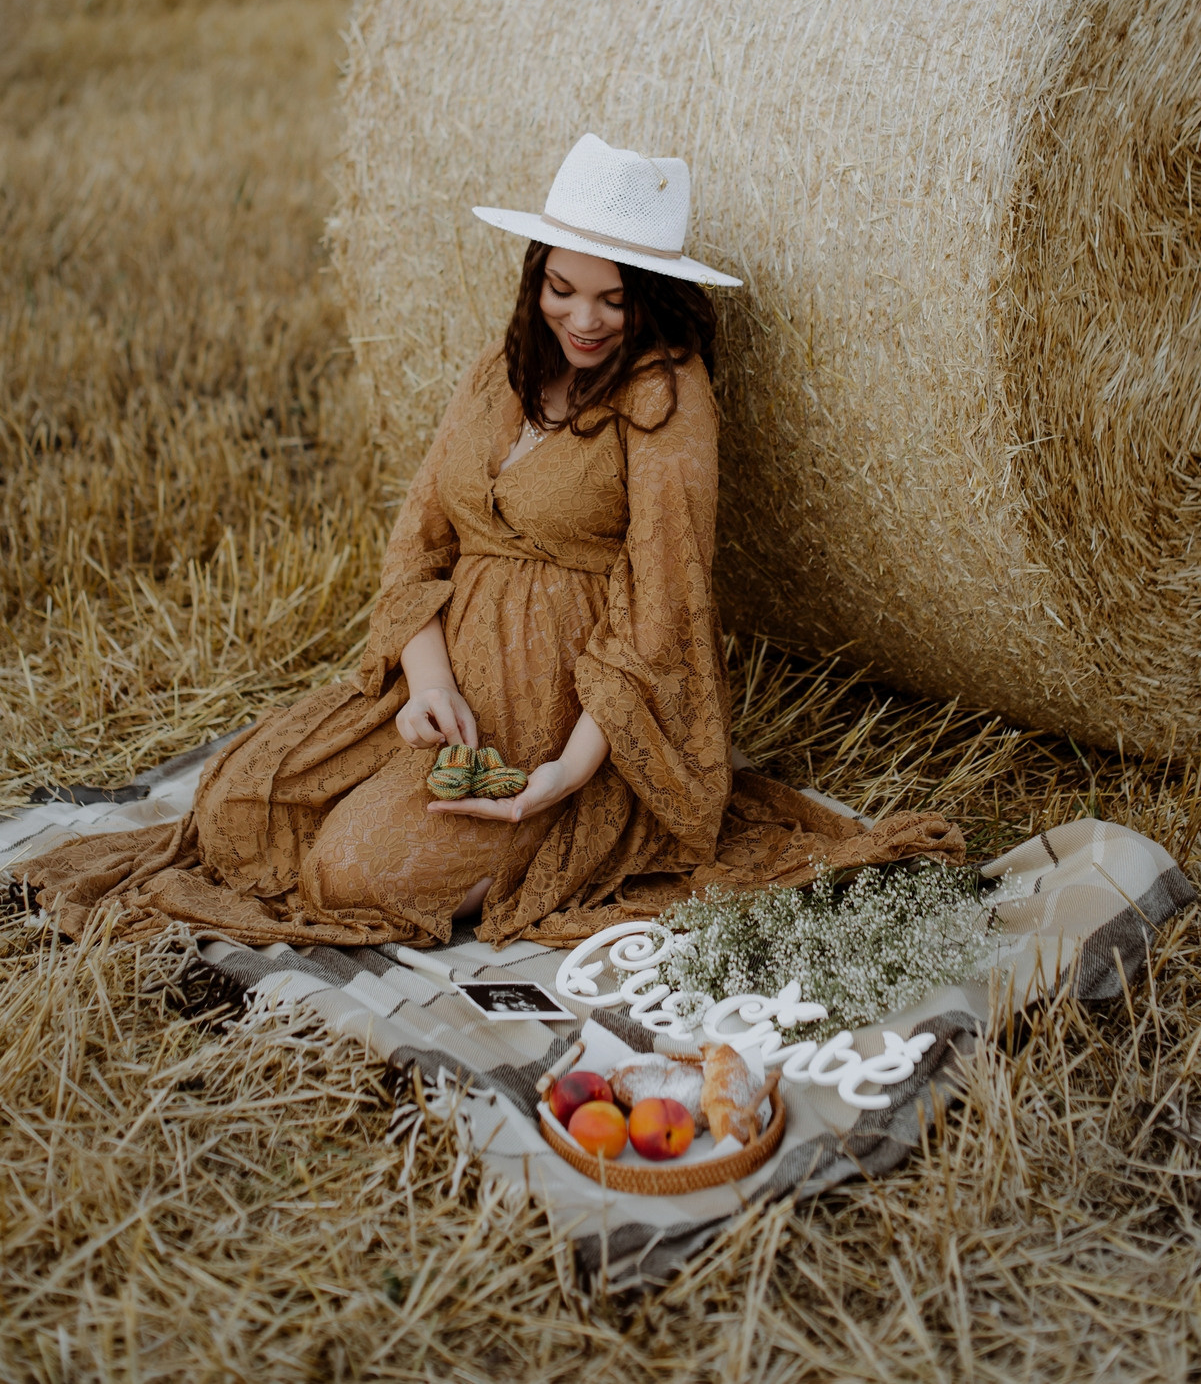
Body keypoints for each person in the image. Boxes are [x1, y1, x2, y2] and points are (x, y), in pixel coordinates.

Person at [24, 134, 963, 948]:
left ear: (654, 301)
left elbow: (666, 605)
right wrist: (426, 683)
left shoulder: (667, 399)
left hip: (568, 705)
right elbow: (416, 543)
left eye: (613, 299)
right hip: (444, 685)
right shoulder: (502, 369)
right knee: (237, 808)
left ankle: (544, 833)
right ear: (535, 275)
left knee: (348, 878)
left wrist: (568, 770)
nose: (583, 319)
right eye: (562, 287)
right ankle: (417, 793)